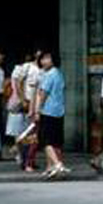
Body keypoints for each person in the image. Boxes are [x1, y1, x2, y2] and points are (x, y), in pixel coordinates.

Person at [31, 51, 67, 179]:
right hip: (59, 111)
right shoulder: (59, 74)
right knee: (55, 141)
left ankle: (57, 164)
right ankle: (50, 167)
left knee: (46, 141)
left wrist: (37, 111)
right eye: (42, 59)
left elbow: (43, 94)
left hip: (48, 111)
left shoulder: (49, 75)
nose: (43, 61)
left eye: (47, 58)